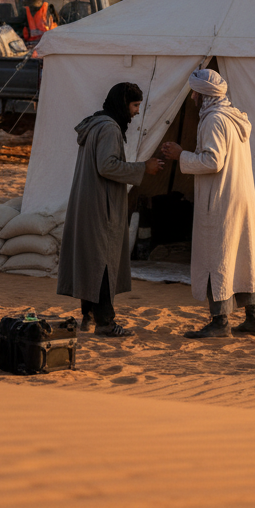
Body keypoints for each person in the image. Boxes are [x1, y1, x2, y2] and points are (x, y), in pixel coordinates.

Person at [161, 68, 255, 338]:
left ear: (202, 94)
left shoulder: (213, 120)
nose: (193, 97)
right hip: (239, 196)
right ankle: (253, 318)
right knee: (242, 255)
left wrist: (180, 155)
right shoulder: (234, 118)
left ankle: (220, 322)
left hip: (221, 200)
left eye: (195, 92)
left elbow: (212, 161)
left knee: (215, 257)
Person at [57, 82, 163, 337]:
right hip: (100, 204)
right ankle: (105, 322)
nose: (137, 112)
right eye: (135, 105)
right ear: (122, 104)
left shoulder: (96, 123)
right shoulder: (109, 128)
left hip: (89, 200)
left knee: (91, 259)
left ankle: (88, 317)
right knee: (103, 261)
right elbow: (107, 166)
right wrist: (142, 168)